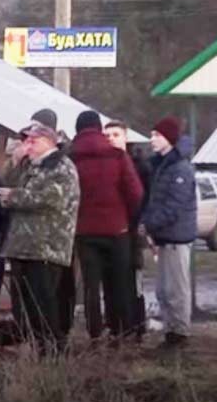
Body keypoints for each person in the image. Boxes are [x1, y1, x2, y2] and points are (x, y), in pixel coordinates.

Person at [0, 124, 80, 354]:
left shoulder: (61, 166)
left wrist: (12, 196)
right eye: (25, 141)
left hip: (46, 246)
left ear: (48, 141)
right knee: (25, 307)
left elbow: (52, 198)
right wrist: (14, 162)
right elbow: (6, 182)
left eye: (32, 141)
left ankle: (54, 351)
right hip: (22, 246)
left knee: (44, 304)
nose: (27, 146)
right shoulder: (30, 166)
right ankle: (37, 348)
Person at [70, 112, 143, 342]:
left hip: (84, 230)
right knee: (120, 280)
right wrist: (127, 217)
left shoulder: (71, 157)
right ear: (98, 128)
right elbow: (135, 192)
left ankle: (94, 332)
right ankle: (120, 330)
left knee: (91, 285)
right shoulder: (117, 156)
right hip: (116, 229)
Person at [141, 116, 196, 349]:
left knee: (176, 288)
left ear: (169, 139)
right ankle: (171, 331)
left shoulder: (179, 168)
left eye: (157, 135)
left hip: (176, 237)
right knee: (164, 289)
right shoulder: (163, 166)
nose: (152, 139)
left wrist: (149, 224)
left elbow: (173, 206)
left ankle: (179, 333)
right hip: (165, 236)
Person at [105, 120, 150, 339]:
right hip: (112, 230)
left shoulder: (139, 165)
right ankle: (116, 326)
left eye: (115, 134)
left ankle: (137, 326)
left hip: (132, 229)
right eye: (108, 135)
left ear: (125, 137)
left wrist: (141, 223)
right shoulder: (103, 164)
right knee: (112, 279)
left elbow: (145, 196)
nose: (111, 139)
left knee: (133, 278)